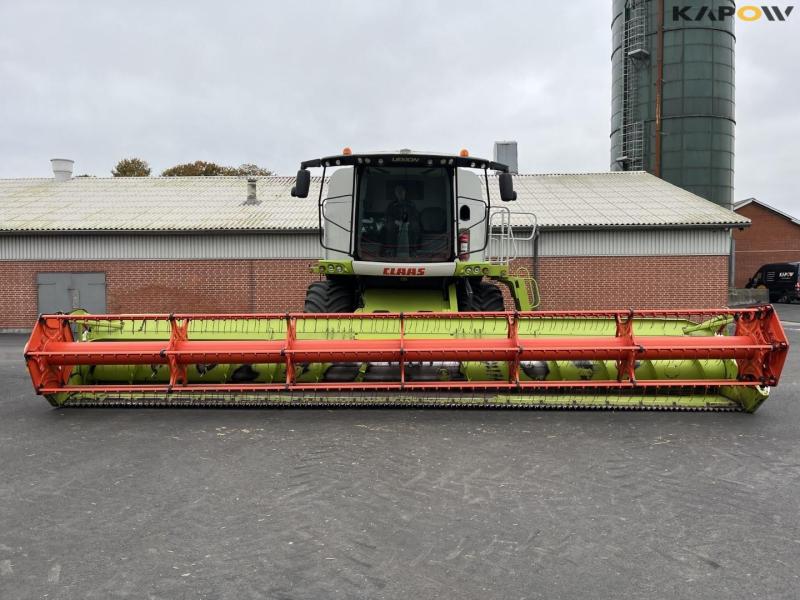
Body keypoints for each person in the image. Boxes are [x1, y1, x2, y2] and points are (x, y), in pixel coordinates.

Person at [384, 184, 421, 258]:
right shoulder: (391, 205)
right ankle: (391, 250)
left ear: (405, 192)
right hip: (396, 223)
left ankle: (413, 250)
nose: (400, 193)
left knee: (415, 226)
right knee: (389, 227)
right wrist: (395, 221)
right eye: (398, 192)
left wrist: (409, 221)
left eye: (402, 191)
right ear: (395, 193)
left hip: (409, 223)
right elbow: (387, 216)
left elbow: (415, 215)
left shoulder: (411, 204)